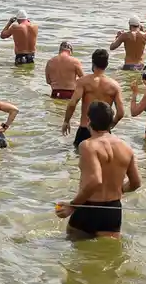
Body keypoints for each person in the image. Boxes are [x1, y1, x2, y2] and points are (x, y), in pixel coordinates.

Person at [55, 101, 141, 240]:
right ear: (110, 122)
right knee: (107, 258)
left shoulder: (88, 145)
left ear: (88, 120)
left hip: (88, 208)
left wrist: (73, 205)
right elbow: (136, 183)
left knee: (78, 254)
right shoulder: (126, 147)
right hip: (113, 210)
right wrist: (120, 190)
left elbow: (95, 180)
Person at [61, 49, 126, 149]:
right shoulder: (114, 86)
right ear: (107, 64)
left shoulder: (83, 82)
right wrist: (111, 125)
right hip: (104, 133)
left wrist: (66, 121)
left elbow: (72, 103)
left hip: (85, 129)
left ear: (93, 63)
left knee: (80, 160)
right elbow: (121, 113)